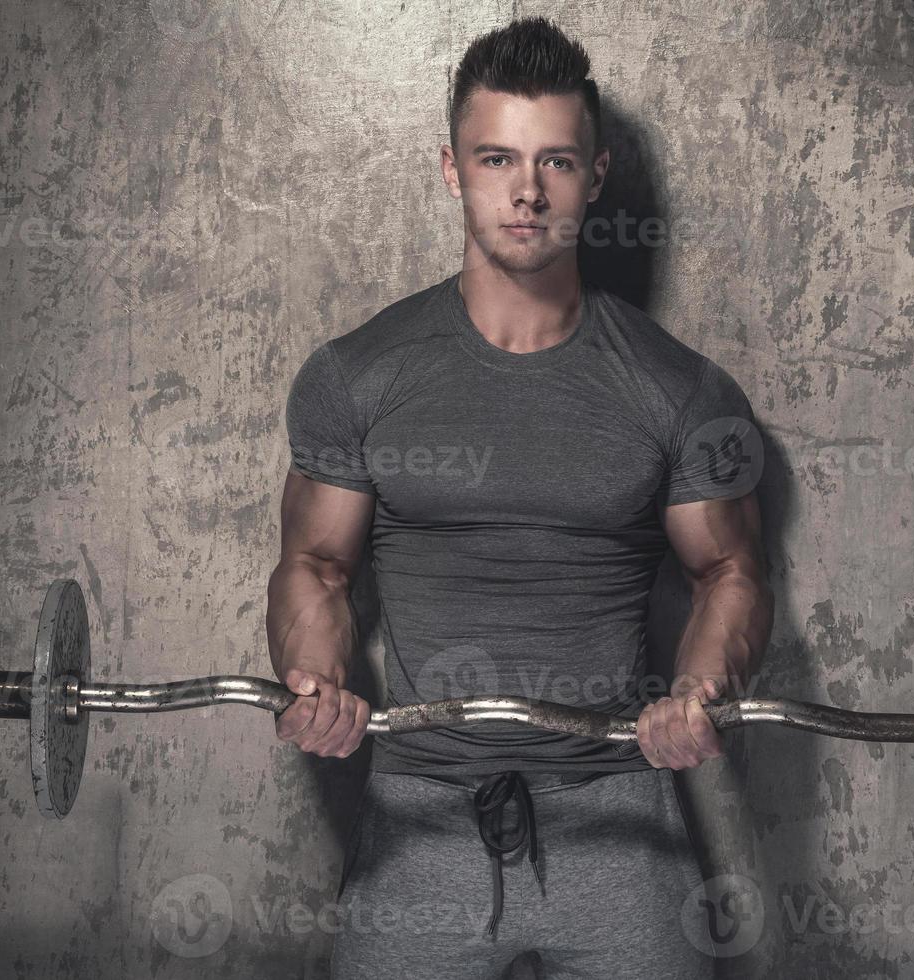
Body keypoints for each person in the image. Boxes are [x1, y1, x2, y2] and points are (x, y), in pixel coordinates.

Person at [266, 16, 774, 979]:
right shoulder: (358, 375)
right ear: (453, 169)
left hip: (620, 813)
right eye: (497, 158)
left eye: (557, 163)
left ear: (598, 173)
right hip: (422, 814)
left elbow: (731, 571)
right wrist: (314, 683)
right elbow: (316, 567)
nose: (528, 191)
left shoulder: (680, 392)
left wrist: (701, 693)